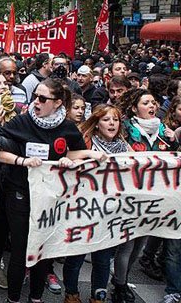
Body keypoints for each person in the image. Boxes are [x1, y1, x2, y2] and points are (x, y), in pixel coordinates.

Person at [0, 78, 105, 303]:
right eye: (35, 96)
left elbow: (72, 154)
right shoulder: (21, 122)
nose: (36, 101)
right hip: (20, 193)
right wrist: (23, 161)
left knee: (44, 250)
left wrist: (81, 157)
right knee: (21, 249)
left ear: (57, 103)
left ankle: (36, 297)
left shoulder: (67, 127)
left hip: (51, 199)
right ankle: (13, 299)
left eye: (42, 98)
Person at [112, 88, 178, 303]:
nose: (152, 107)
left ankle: (122, 277)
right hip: (130, 196)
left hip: (154, 197)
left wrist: (174, 142)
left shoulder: (163, 130)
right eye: (146, 103)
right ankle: (120, 286)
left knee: (139, 244)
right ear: (134, 108)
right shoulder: (125, 131)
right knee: (127, 243)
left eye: (154, 103)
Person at [63, 105, 130, 303]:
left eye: (115, 120)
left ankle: (98, 295)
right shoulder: (86, 142)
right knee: (76, 256)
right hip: (83, 209)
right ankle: (72, 293)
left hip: (109, 211)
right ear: (97, 123)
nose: (112, 123)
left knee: (102, 258)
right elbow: (68, 158)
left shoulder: (125, 147)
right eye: (107, 119)